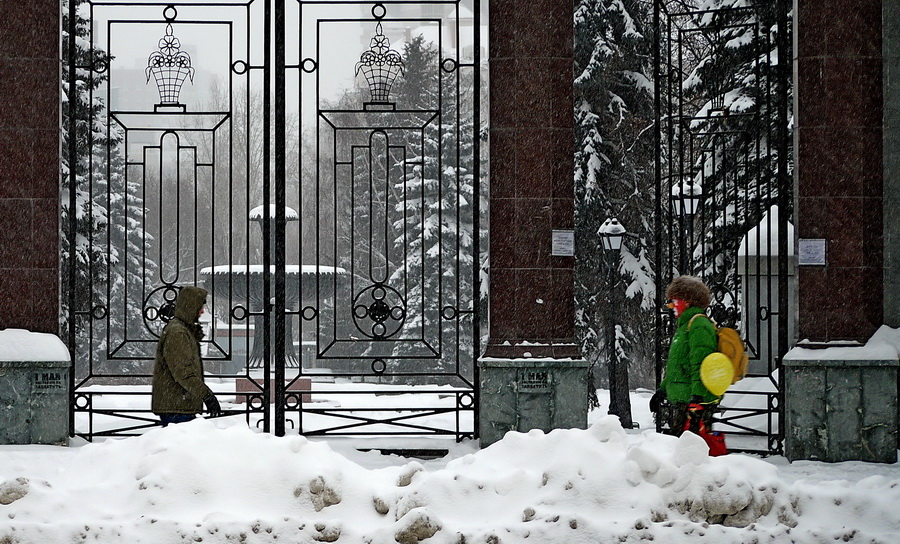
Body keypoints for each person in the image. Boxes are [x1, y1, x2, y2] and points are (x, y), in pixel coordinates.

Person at [649, 275, 720, 436]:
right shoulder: (685, 326)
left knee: (690, 452)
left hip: (693, 402)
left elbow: (701, 364)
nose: (671, 306)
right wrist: (663, 389)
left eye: (674, 301)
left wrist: (697, 399)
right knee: (681, 451)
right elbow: (678, 365)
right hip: (683, 400)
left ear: (687, 301)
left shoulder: (698, 325)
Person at [152, 285, 222, 426]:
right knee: (179, 447)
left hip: (178, 404)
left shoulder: (183, 331)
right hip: (177, 406)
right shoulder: (178, 333)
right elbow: (183, 373)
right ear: (190, 307)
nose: (202, 312)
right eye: (199, 307)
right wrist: (207, 396)